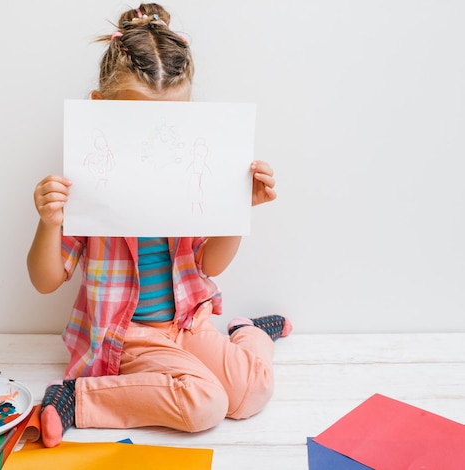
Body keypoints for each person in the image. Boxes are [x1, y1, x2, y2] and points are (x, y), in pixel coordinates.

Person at [27, 3, 292, 448]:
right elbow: (45, 280)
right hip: (128, 335)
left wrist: (237, 209)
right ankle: (76, 397)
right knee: (204, 403)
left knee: (252, 392)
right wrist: (48, 222)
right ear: (100, 110)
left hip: (190, 321)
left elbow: (211, 265)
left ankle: (245, 332)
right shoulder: (85, 184)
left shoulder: (194, 176)